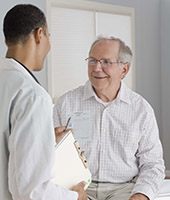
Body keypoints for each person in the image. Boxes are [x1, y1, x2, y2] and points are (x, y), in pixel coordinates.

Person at [53, 36, 165, 200]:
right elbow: (47, 155)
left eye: (106, 62)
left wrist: (141, 195)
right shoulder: (65, 103)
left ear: (124, 70)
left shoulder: (142, 110)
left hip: (123, 189)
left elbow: (153, 164)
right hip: (76, 187)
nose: (97, 68)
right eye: (92, 60)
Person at [0, 4, 87, 200]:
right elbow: (31, 191)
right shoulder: (33, 95)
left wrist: (44, 138)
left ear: (6, 40)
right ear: (40, 34)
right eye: (49, 36)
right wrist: (75, 197)